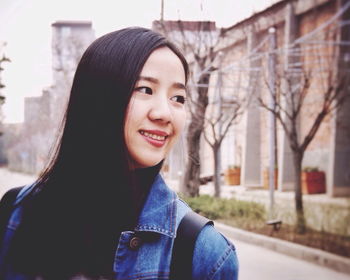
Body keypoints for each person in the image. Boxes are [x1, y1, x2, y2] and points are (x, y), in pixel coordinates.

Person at [0, 27, 239, 279]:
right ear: (99, 98)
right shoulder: (14, 212)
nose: (165, 114)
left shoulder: (205, 253)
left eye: (178, 98)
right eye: (145, 90)